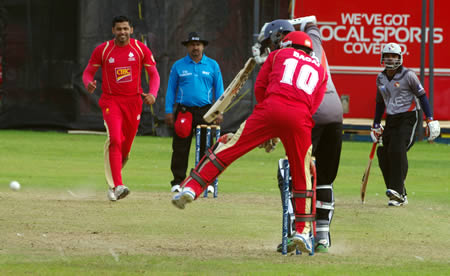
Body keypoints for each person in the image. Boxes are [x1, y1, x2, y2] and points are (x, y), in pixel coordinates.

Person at [172, 31, 328, 255]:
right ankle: (303, 231)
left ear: (287, 44)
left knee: (230, 147)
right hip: (301, 116)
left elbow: (260, 89)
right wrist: (282, 130)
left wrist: (268, 129)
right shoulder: (319, 69)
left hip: (270, 107)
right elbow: (314, 104)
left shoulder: (278, 55)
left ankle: (191, 187)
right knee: (302, 172)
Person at [255, 17, 343, 253]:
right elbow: (312, 21)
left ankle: (298, 233)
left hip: (308, 112)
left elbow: (271, 96)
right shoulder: (313, 40)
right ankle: (322, 238)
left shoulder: (282, 58)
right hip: (335, 114)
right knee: (323, 178)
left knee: (295, 174)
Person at [82, 15, 160, 201]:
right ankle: (118, 185)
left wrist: (153, 93)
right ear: (113, 31)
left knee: (125, 150)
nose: (122, 32)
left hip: (134, 103)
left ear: (131, 30)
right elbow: (88, 72)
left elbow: (154, 74)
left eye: (125, 29)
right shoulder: (104, 50)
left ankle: (112, 186)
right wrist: (88, 84)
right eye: (119, 29)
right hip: (111, 102)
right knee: (115, 139)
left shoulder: (140, 49)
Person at [370, 42, 440, 206]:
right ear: (382, 58)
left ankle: (398, 192)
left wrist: (429, 118)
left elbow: (422, 96)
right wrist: (375, 124)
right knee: (383, 153)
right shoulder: (380, 78)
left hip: (409, 117)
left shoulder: (409, 75)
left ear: (400, 57)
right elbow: (380, 102)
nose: (390, 59)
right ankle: (398, 193)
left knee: (397, 148)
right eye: (387, 56)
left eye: (394, 56)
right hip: (391, 118)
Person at [165, 32, 224, 193]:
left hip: (206, 110)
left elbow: (219, 90)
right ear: (187, 47)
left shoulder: (212, 65)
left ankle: (207, 182)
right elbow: (171, 89)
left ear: (203, 46)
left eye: (198, 45)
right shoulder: (179, 66)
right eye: (192, 45)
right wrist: (169, 111)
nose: (195, 48)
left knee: (207, 147)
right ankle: (178, 181)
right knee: (180, 147)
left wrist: (219, 110)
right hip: (184, 111)